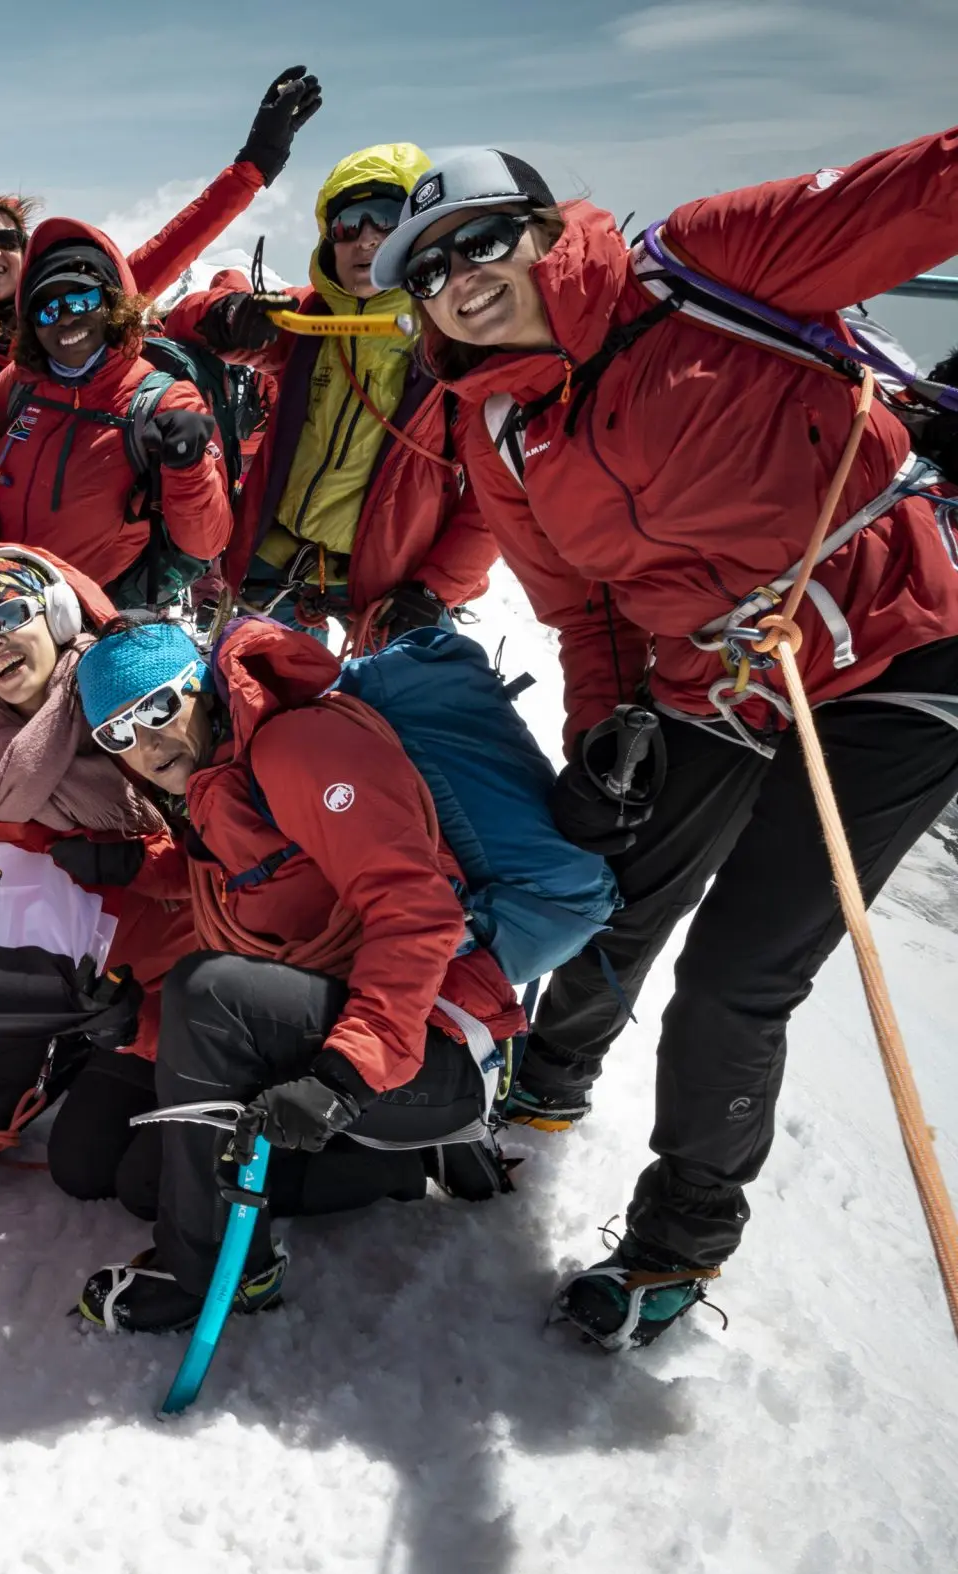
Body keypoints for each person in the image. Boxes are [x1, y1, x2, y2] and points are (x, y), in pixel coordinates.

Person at [371, 131, 958, 1347]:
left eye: (479, 239)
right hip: (711, 683)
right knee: (611, 894)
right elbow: (579, 606)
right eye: (425, 270)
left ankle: (674, 1246)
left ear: (541, 226)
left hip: (894, 655)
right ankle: (542, 1087)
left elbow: (930, 191)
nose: (458, 279)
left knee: (737, 977)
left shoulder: (704, 267)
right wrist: (605, 732)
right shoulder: (496, 424)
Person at [70, 612, 522, 1333]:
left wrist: (345, 1075)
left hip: (436, 1044)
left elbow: (418, 910)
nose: (146, 742)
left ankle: (220, 1273)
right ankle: (403, 1167)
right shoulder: (219, 795)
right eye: (116, 732)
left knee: (207, 987)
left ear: (203, 688)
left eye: (158, 706)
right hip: (362, 1038)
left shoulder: (297, 748)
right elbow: (267, 917)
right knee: (144, 1179)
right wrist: (134, 1025)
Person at [0, 548, 182, 1198]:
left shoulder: (137, 696)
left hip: (152, 983)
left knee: (89, 1171)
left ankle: (91, 1055)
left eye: (6, 614)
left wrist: (137, 864)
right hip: (36, 972)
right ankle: (62, 1051)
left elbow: (226, 858)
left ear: (55, 614)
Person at [162, 143, 494, 645]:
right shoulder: (308, 318)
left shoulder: (455, 343)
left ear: (416, 233)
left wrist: (434, 590)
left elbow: (496, 495)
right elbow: (182, 322)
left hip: (390, 588)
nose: (365, 240)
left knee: (403, 719)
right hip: (274, 568)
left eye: (384, 219)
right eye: (347, 224)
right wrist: (227, 314)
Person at [0, 66, 328, 397]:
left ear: (26, 253)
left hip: (225, 406)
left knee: (218, 311)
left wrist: (254, 164)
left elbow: (175, 244)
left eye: (7, 240)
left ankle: (344, 308)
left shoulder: (96, 297)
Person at [0, 218, 237, 609]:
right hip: (14, 605)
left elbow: (207, 541)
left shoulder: (164, 402)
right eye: (46, 310)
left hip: (105, 617)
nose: (65, 317)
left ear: (111, 303)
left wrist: (188, 466)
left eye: (81, 300)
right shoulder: (23, 382)